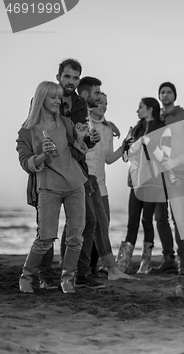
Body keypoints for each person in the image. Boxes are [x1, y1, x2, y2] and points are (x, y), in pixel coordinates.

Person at [16, 81, 88, 294]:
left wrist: (80, 138)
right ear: (42, 99)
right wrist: (44, 155)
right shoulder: (27, 132)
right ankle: (26, 278)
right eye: (53, 97)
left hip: (75, 183)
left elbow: (76, 152)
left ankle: (67, 280)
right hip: (48, 187)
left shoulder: (65, 123)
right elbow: (26, 163)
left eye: (59, 97)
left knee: (76, 236)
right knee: (46, 236)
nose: (58, 101)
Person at [83, 92, 136, 280]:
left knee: (102, 226)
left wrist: (123, 147)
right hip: (83, 183)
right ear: (90, 104)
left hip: (101, 185)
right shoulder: (82, 124)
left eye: (106, 103)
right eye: (99, 103)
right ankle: (94, 268)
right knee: (89, 227)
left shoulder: (107, 130)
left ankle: (97, 267)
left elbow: (108, 159)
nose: (103, 106)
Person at [151, 82, 184, 275]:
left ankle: (183, 261)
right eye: (162, 92)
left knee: (179, 217)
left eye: (168, 92)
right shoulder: (156, 118)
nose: (165, 95)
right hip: (156, 174)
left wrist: (177, 161)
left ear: (174, 95)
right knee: (160, 218)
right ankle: (168, 259)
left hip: (177, 173)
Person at [117, 97, 166, 273]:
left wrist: (148, 144)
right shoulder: (136, 128)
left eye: (140, 108)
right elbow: (126, 157)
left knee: (147, 221)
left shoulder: (161, 129)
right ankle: (123, 263)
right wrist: (127, 146)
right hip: (136, 181)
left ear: (151, 109)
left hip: (153, 181)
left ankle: (145, 263)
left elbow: (163, 157)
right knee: (132, 222)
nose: (137, 111)